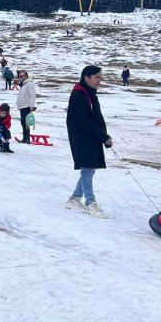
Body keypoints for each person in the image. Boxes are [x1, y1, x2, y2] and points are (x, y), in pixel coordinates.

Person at [65, 65, 112, 218]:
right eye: (97, 77)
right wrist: (102, 136)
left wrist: (103, 135)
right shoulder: (79, 94)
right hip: (82, 136)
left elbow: (96, 116)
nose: (100, 80)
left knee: (89, 168)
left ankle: (75, 198)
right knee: (87, 167)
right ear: (87, 78)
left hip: (90, 135)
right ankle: (90, 203)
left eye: (100, 77)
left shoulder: (89, 93)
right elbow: (82, 120)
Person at [15, 70, 37, 144]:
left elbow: (32, 95)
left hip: (26, 106)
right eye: (19, 76)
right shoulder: (24, 84)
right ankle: (25, 137)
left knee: (26, 123)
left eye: (22, 76)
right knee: (23, 122)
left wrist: (31, 106)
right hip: (22, 106)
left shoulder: (29, 84)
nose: (20, 78)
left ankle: (26, 138)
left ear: (26, 76)